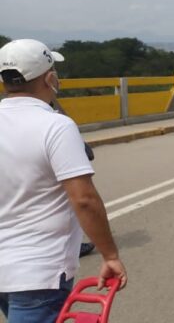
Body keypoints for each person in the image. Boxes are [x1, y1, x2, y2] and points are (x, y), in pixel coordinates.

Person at [0, 39, 127, 323]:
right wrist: (110, 255)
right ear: (49, 78)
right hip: (38, 272)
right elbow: (84, 199)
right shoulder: (55, 125)